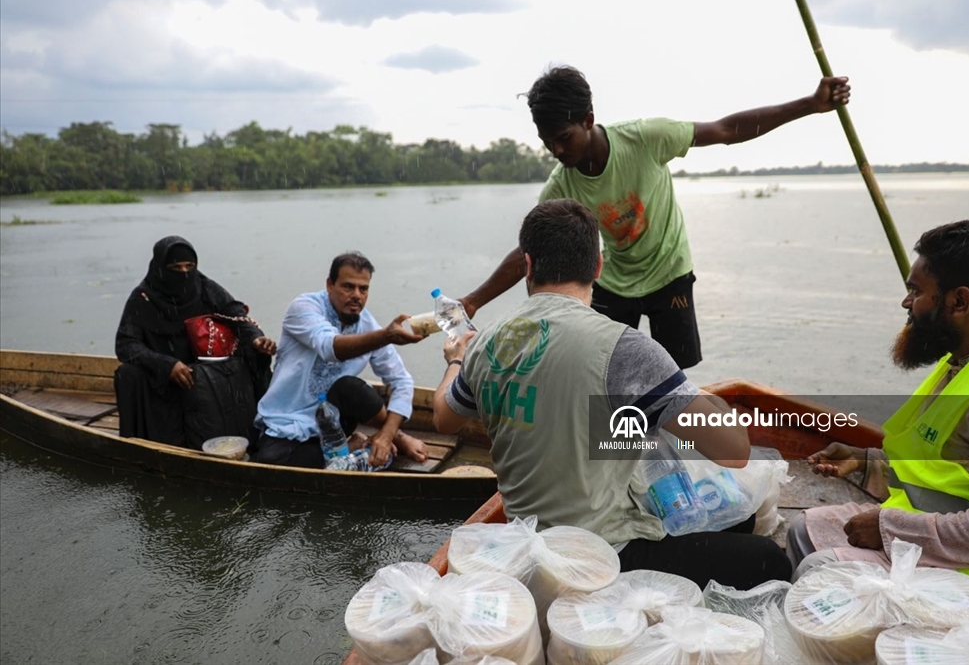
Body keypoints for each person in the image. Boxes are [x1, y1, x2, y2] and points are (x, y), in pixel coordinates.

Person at [432, 199, 791, 590]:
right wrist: (712, 402)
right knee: (769, 559)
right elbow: (734, 452)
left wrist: (455, 359)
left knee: (737, 518)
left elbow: (443, 418)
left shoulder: (488, 342)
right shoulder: (625, 347)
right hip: (604, 554)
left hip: (527, 543)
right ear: (599, 267)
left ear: (529, 266)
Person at [460, 65, 851, 370]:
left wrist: (809, 105)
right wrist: (474, 301)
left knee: (672, 375)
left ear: (589, 119)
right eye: (548, 142)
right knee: (605, 370)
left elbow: (726, 130)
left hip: (670, 275)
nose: (557, 150)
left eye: (564, 137)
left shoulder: (646, 138)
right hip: (613, 283)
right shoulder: (561, 186)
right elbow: (528, 251)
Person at [789, 220, 969, 628]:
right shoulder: (968, 361)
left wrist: (889, 528)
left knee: (821, 571)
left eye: (915, 292)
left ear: (959, 302)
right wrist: (868, 461)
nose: (906, 303)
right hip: (940, 536)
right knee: (802, 529)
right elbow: (950, 468)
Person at [254, 251, 430, 470]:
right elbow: (330, 347)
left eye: (363, 289)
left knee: (350, 387)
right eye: (348, 287)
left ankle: (393, 438)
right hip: (291, 419)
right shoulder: (304, 308)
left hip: (335, 421)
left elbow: (401, 381)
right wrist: (385, 336)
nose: (356, 295)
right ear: (330, 285)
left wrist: (386, 435)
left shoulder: (367, 324)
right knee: (271, 461)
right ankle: (355, 447)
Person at [115, 235, 277, 447]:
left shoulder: (206, 288)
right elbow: (126, 344)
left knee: (254, 354)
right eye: (175, 267)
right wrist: (166, 364)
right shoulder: (143, 298)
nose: (184, 273)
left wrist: (257, 339)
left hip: (208, 374)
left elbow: (237, 315)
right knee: (128, 374)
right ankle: (144, 444)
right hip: (166, 378)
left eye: (189, 266)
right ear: (161, 267)